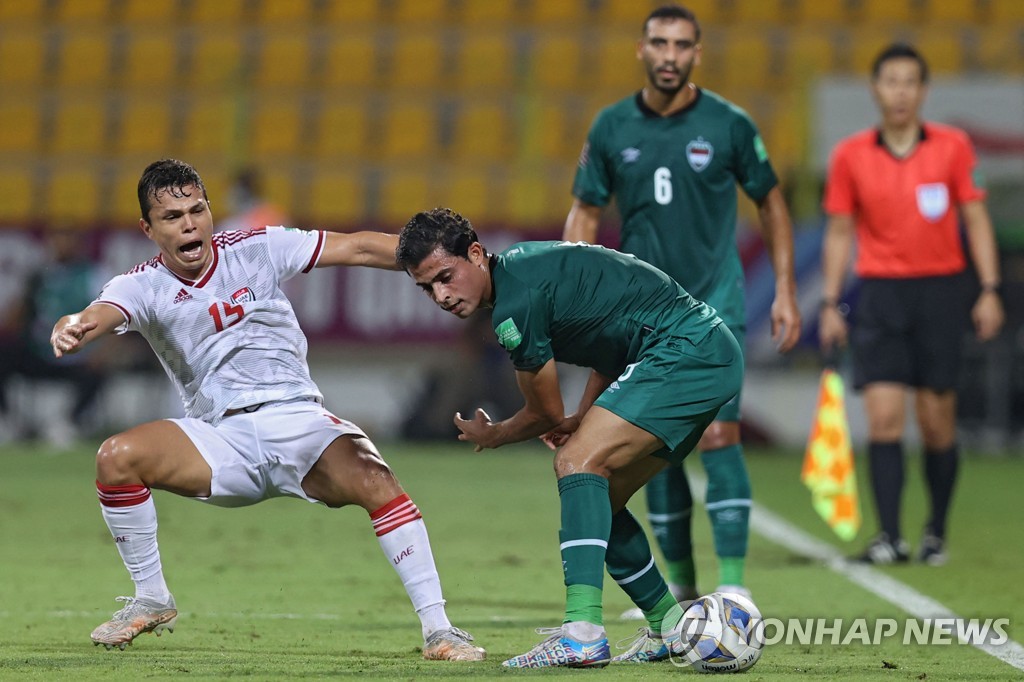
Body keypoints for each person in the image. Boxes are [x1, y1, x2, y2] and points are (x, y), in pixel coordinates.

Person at [49, 159, 485, 661]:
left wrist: (439, 259)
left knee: (376, 479)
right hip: (217, 439)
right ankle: (152, 596)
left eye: (197, 210)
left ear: (211, 211)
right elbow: (99, 312)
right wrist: (74, 325)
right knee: (115, 457)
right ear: (148, 228)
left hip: (297, 420)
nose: (189, 224)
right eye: (172, 217)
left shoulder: (257, 248)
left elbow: (359, 246)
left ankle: (439, 631)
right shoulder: (141, 284)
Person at [396, 208, 744, 668]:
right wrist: (586, 415)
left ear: (476, 254)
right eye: (427, 287)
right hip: (695, 352)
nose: (440, 295)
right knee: (601, 498)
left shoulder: (514, 305)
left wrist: (496, 433)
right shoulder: (524, 271)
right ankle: (668, 626)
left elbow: (544, 413)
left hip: (685, 352)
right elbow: (612, 345)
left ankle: (582, 635)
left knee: (575, 463)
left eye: (445, 276)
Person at [563, 3, 801, 607]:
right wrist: (572, 288)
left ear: (697, 53)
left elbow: (770, 202)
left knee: (720, 434)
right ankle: (687, 595)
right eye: (660, 44)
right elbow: (586, 211)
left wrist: (786, 290)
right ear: (642, 49)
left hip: (714, 306)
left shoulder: (729, 124)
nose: (670, 55)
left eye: (682, 45)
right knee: (657, 450)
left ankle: (735, 588)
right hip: (642, 315)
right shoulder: (612, 127)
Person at [819, 44, 1004, 566]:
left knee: (936, 423)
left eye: (910, 81)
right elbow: (838, 232)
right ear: (875, 89)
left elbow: (976, 219)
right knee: (882, 420)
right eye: (890, 81)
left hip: (941, 292)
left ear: (923, 91)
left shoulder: (953, 147)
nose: (900, 91)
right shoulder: (850, 155)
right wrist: (832, 301)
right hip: (879, 294)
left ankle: (935, 533)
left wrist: (989, 289)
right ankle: (889, 536)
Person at [0, 227, 110, 446]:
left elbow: (110, 315)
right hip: (41, 350)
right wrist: (26, 293)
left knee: (99, 369)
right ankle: (7, 422)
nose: (61, 244)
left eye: (68, 237)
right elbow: (12, 320)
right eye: (57, 238)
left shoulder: (94, 274)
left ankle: (67, 424)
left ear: (79, 243)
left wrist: (102, 350)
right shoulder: (40, 274)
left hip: (79, 353)